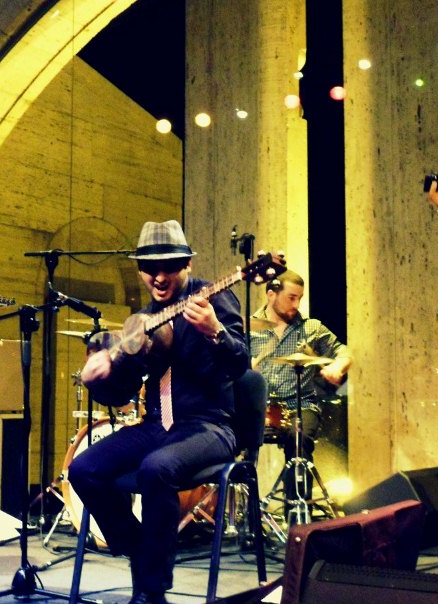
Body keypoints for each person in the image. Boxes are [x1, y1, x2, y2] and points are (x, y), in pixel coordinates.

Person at [69, 220, 249, 604]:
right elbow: (121, 394)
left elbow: (241, 365)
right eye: (150, 268)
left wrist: (215, 331)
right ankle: (139, 549)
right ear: (140, 271)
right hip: (157, 425)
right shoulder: (144, 319)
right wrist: (102, 374)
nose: (160, 276)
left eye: (169, 266)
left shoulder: (213, 300)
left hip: (210, 426)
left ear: (187, 264)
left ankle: (151, 591)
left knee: (156, 468)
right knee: (83, 469)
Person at [250, 269, 351, 523]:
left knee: (299, 438)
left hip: (300, 405)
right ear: (271, 294)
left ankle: (297, 517)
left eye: (300, 298)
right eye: (291, 298)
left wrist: (339, 366)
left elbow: (344, 351)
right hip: (259, 407)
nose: (296, 305)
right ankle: (245, 515)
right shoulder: (249, 329)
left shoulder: (311, 328)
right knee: (232, 437)